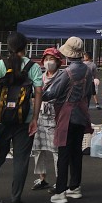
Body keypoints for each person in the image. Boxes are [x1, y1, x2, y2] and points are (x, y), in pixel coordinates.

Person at [0, 32, 42, 203]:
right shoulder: (33, 66)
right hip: (24, 119)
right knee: (20, 160)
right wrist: (35, 118)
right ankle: (15, 199)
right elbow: (38, 93)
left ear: (8, 47)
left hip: (1, 119)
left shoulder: (2, 64)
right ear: (25, 47)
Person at [45, 37, 94, 203]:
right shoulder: (88, 70)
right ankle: (75, 186)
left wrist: (38, 94)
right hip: (81, 114)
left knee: (63, 153)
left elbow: (53, 93)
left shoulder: (67, 72)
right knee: (76, 152)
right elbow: (89, 92)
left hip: (66, 115)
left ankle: (60, 191)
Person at [30, 47, 64, 192]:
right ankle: (42, 178)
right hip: (39, 116)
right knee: (37, 148)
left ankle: (60, 180)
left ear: (58, 61)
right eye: (46, 59)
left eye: (52, 59)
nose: (49, 62)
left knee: (56, 149)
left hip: (55, 116)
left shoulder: (62, 76)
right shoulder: (41, 76)